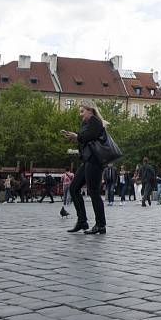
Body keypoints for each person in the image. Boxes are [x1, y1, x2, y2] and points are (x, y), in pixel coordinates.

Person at [61, 100, 109, 234]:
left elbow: (87, 136)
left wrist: (77, 136)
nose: (80, 114)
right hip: (87, 160)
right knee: (74, 187)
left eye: (82, 111)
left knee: (93, 192)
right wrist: (75, 137)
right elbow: (84, 138)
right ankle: (82, 221)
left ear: (90, 110)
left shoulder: (94, 121)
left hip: (94, 161)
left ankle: (100, 224)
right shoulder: (86, 123)